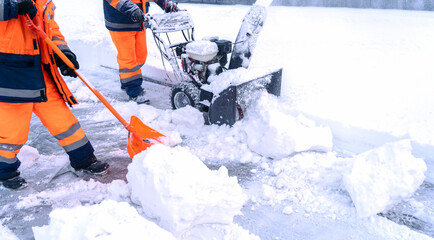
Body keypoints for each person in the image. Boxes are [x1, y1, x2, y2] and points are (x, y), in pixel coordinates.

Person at [0, 0, 110, 190]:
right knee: (12, 131)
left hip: (41, 72)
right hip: (11, 73)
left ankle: (83, 159)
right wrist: (13, 7)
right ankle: (5, 171)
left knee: (64, 121)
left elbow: (51, 29)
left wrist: (63, 53)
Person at [103, 0, 179, 104]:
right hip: (121, 22)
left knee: (141, 56)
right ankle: (134, 92)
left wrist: (165, 4)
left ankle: (126, 81)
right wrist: (130, 7)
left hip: (139, 20)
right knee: (128, 60)